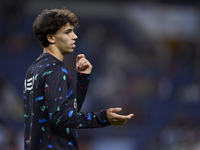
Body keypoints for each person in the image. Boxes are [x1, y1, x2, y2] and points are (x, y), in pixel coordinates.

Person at [23, 8, 134, 150]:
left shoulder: (33, 70)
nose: (75, 36)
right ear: (51, 38)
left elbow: (67, 111)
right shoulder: (56, 69)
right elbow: (60, 117)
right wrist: (104, 118)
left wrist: (82, 79)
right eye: (68, 32)